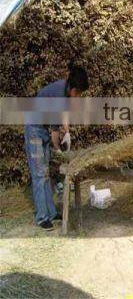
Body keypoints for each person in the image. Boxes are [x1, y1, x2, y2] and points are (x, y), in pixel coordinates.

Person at [24, 64, 89, 231]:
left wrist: (67, 132)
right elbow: (54, 133)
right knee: (39, 175)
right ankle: (42, 218)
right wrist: (58, 149)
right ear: (73, 89)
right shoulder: (58, 96)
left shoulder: (65, 91)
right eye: (79, 93)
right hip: (35, 130)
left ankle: (51, 213)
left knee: (46, 173)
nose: (79, 97)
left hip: (42, 128)